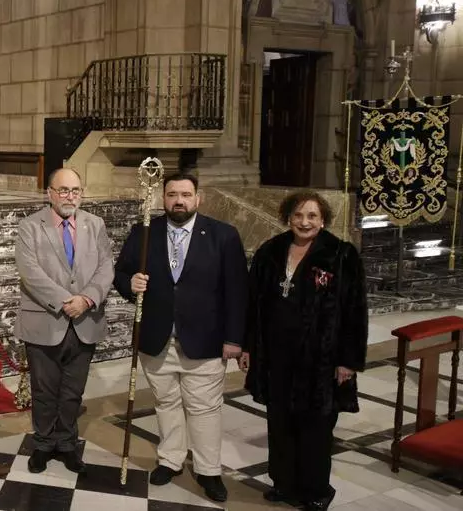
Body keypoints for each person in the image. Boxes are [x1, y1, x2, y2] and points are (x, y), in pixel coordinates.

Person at [113, 172, 247, 503]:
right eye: (172, 194)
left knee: (204, 408)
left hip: (205, 339)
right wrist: (130, 284)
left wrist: (234, 338)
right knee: (166, 402)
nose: (179, 200)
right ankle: (171, 460)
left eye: (185, 194)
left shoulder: (223, 236)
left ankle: (208, 470)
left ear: (198, 198)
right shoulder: (144, 233)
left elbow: (238, 292)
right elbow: (121, 271)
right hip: (157, 338)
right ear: (163, 198)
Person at [242, 191, 366, 511]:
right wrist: (248, 347)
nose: (305, 222)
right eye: (298, 215)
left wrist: (348, 361)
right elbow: (253, 305)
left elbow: (355, 310)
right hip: (276, 358)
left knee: (315, 429)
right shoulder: (271, 250)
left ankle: (316, 491)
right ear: (288, 218)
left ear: (323, 219)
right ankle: (283, 483)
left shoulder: (341, 254)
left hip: (321, 363)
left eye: (312, 216)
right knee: (280, 423)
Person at [14, 167, 114, 474]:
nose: (69, 196)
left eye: (75, 191)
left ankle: (68, 444)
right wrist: (64, 301)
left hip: (85, 320)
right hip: (45, 320)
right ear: (49, 193)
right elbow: (30, 272)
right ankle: (43, 444)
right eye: (63, 190)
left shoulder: (94, 224)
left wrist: (86, 299)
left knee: (73, 390)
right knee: (44, 390)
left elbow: (106, 267)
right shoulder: (30, 226)